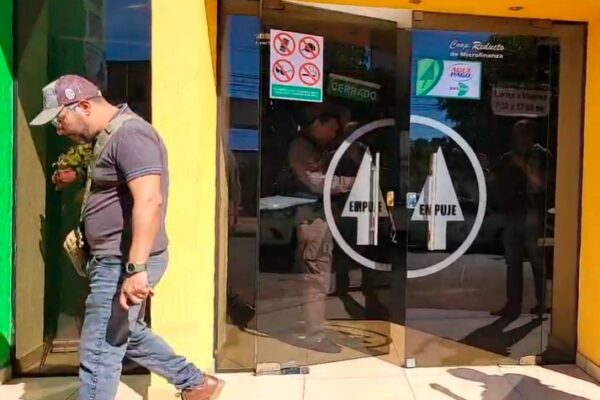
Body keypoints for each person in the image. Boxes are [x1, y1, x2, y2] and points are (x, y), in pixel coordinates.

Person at [30, 75, 223, 400]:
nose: (59, 130)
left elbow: (150, 199)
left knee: (99, 350)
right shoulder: (108, 137)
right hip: (112, 259)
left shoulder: (131, 135)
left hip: (122, 262)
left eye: (59, 120)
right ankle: (195, 384)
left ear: (84, 106)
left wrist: (135, 269)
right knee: (125, 332)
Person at [288, 104, 355, 353]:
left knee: (314, 276)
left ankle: (309, 325)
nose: (335, 134)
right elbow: (317, 183)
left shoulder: (317, 148)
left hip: (318, 218)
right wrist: (355, 182)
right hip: (312, 220)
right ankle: (314, 335)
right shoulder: (302, 148)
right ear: (318, 123)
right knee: (316, 278)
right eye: (333, 128)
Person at [490, 119, 553, 317]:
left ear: (531, 136)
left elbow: (543, 184)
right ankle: (513, 304)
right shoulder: (508, 158)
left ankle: (541, 303)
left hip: (533, 214)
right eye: (517, 134)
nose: (519, 139)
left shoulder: (542, 156)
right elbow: (494, 180)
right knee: (513, 262)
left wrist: (522, 167)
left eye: (523, 134)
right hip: (512, 214)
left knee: (537, 262)